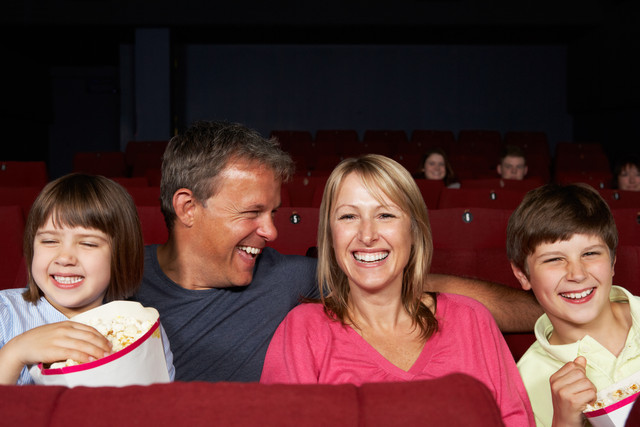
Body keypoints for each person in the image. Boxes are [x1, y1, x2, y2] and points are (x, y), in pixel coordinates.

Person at [134, 120, 542, 382]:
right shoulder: (116, 284)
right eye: (252, 213)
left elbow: (410, 285)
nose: (273, 230)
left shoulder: (287, 279)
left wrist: (558, 313)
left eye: (273, 212)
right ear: (188, 207)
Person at [260, 154, 534, 426]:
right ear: (330, 236)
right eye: (348, 216)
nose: (367, 235)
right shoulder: (302, 330)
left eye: (385, 214)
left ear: (414, 231)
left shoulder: (472, 319)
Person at [0, 173, 175, 385]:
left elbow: (158, 407)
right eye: (48, 241)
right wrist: (14, 353)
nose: (64, 258)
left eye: (88, 244)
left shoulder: (141, 328)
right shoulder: (5, 313)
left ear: (121, 255)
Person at [507, 183, 639, 427]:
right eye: (555, 259)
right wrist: (564, 422)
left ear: (612, 262)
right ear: (523, 275)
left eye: (590, 254)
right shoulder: (523, 384)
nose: (577, 274)